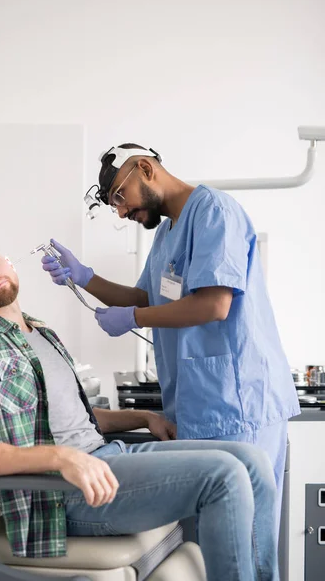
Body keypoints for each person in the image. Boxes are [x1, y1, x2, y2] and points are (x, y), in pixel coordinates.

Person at [0, 232, 280, 581]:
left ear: (8, 262)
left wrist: (143, 417)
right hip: (60, 493)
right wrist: (60, 457)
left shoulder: (40, 332)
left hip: (105, 456)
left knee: (252, 461)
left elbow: (75, 416)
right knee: (224, 475)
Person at [41, 143, 300, 526]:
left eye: (119, 197)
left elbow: (214, 305)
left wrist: (134, 317)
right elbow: (147, 297)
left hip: (239, 402)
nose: (122, 211)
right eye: (114, 205)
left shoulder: (214, 212)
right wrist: (86, 278)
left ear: (145, 168)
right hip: (198, 406)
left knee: (247, 536)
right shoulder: (166, 235)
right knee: (213, 541)